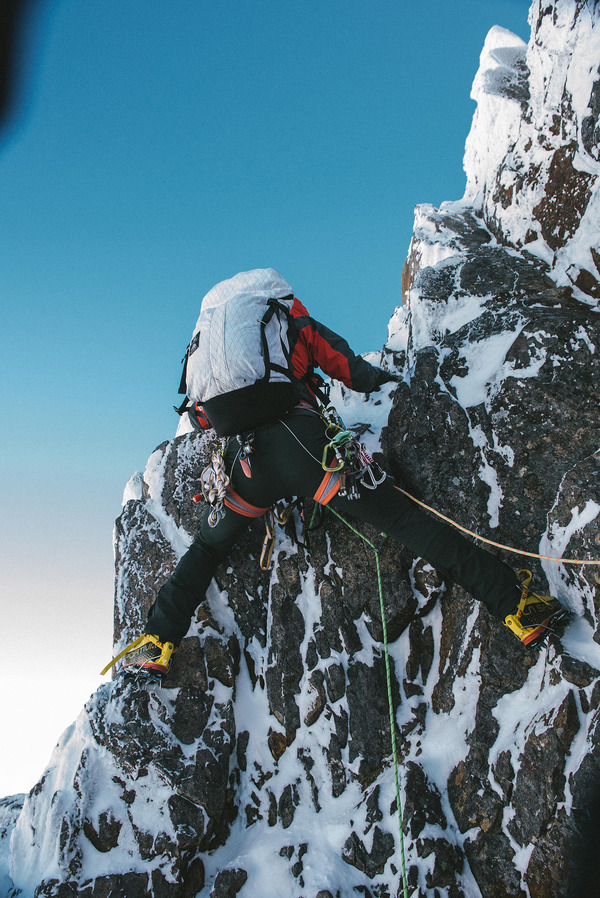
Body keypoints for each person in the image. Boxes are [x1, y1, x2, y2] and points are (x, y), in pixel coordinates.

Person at [103, 270, 565, 678]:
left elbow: (202, 417)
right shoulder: (283, 312)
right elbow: (344, 365)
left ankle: (157, 642)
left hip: (245, 466)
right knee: (406, 521)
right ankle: (516, 606)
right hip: (305, 450)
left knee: (207, 547)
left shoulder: (212, 344)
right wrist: (388, 384)